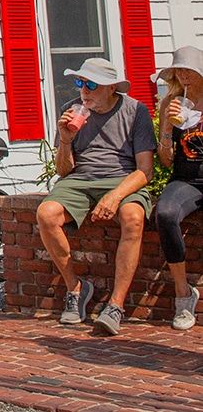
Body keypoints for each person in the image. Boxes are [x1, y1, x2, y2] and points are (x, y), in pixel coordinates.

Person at [35, 56, 156, 336]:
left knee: (133, 217)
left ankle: (115, 305)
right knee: (46, 213)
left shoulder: (135, 111)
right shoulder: (71, 111)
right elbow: (64, 171)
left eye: (91, 84)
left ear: (111, 87)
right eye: (80, 82)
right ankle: (76, 288)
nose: (84, 90)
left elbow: (145, 171)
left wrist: (114, 196)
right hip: (80, 179)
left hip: (121, 177)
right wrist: (65, 140)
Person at [153, 45, 203, 329]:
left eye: (189, 70)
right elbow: (166, 159)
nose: (183, 75)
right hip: (186, 179)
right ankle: (183, 295)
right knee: (166, 213)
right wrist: (168, 129)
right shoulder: (171, 102)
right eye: (178, 71)